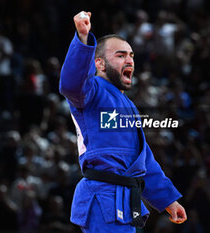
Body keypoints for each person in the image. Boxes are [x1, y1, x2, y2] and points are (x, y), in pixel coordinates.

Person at [59, 11, 187, 233]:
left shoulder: (127, 105)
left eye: (131, 55)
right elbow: (70, 85)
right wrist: (82, 38)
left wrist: (168, 200)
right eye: (120, 55)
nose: (129, 60)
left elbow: (142, 159)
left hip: (123, 201)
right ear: (98, 63)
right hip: (103, 196)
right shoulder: (91, 92)